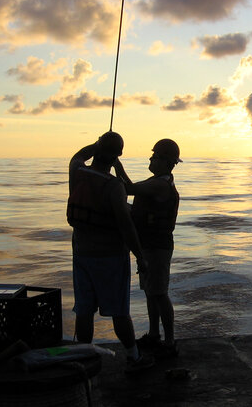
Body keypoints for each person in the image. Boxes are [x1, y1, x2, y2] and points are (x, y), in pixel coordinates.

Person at [67, 131, 153, 372]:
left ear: (97, 150)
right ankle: (133, 357)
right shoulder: (114, 186)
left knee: (84, 310)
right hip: (111, 258)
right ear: (118, 156)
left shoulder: (76, 171)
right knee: (119, 312)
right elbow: (126, 225)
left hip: (82, 255)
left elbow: (79, 155)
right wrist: (140, 256)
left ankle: (83, 357)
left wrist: (96, 145)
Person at [114, 138, 181, 357]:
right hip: (148, 246)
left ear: (164, 161)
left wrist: (116, 165)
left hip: (157, 248)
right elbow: (134, 191)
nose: (150, 159)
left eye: (154, 156)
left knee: (159, 293)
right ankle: (154, 334)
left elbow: (128, 188)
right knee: (151, 293)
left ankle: (170, 341)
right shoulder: (158, 182)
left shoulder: (160, 184)